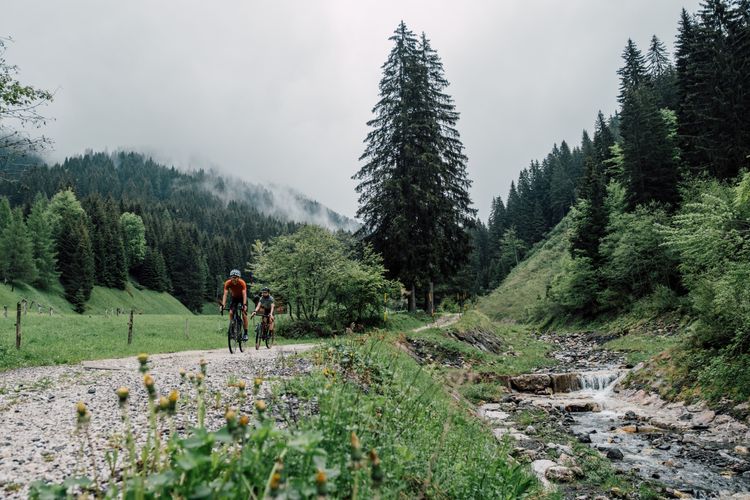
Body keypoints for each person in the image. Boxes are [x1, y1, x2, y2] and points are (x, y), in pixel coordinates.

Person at [220, 269, 249, 341]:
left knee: (243, 314)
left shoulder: (242, 282)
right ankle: (232, 329)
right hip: (234, 298)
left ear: (239, 277)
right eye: (232, 277)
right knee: (231, 312)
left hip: (242, 298)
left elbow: (244, 294)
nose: (234, 279)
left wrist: (244, 304)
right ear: (230, 277)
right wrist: (223, 304)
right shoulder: (228, 283)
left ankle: (245, 333)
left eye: (235, 277)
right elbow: (225, 294)